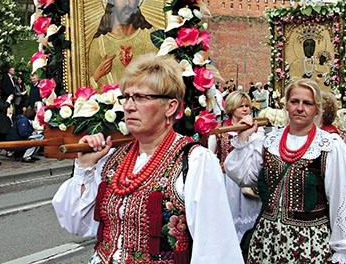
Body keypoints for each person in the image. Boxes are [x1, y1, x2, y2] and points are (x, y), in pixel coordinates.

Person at [52, 54, 243, 263]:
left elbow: (214, 248)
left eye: (141, 97)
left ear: (170, 107)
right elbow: (76, 224)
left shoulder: (195, 161)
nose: (129, 106)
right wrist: (85, 166)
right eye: (126, 97)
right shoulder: (114, 160)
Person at [225, 78, 346, 263]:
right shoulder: (269, 141)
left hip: (309, 242)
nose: (300, 108)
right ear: (286, 105)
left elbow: (340, 200)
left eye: (307, 103)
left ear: (316, 109)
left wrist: (343, 247)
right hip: (268, 239)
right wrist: (243, 140)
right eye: (294, 101)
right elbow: (244, 177)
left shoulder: (328, 146)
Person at [208, 91, 262, 242]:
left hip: (246, 181)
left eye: (247, 106)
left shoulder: (257, 128)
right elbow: (211, 155)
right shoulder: (220, 128)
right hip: (226, 181)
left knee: (248, 217)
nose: (245, 109)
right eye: (240, 106)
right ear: (232, 108)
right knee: (227, 219)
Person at [88, 0, 156, 90]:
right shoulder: (99, 45)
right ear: (112, 0)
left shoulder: (150, 37)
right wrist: (97, 76)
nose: (126, 2)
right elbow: (87, 93)